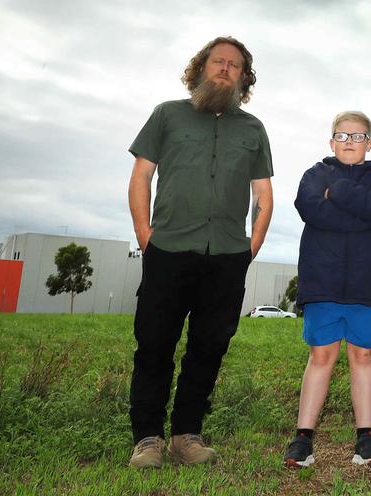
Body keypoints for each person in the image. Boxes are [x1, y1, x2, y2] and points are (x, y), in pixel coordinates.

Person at [126, 36, 274, 468]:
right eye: (218, 61)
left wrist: (252, 245)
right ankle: (147, 439)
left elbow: (263, 192)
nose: (225, 68)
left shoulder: (253, 129)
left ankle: (186, 436)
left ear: (244, 77)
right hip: (168, 248)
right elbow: (141, 177)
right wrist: (144, 235)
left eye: (234, 65)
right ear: (200, 68)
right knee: (154, 343)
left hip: (228, 255)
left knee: (209, 345)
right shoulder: (166, 115)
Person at [282, 111, 371, 469]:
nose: (350, 142)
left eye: (358, 135)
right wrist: (364, 215)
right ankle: (303, 438)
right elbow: (310, 208)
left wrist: (341, 192)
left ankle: (366, 438)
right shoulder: (314, 175)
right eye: (343, 135)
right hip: (323, 281)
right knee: (321, 355)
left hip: (366, 283)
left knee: (363, 356)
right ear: (331, 141)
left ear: (370, 142)